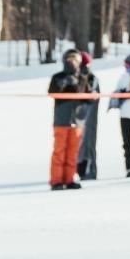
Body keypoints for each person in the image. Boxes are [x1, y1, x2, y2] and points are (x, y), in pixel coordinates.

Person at [48, 48, 89, 190]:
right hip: (61, 120)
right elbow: (52, 93)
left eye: (75, 61)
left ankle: (69, 179)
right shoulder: (57, 77)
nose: (73, 63)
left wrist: (78, 84)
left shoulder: (83, 78)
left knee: (73, 152)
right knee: (59, 151)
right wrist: (63, 83)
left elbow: (88, 97)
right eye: (70, 60)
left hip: (77, 121)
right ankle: (56, 181)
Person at [76, 51, 101, 182]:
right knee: (78, 144)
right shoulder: (76, 77)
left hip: (89, 116)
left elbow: (93, 95)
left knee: (89, 143)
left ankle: (90, 170)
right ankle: (79, 170)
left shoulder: (92, 78)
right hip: (77, 117)